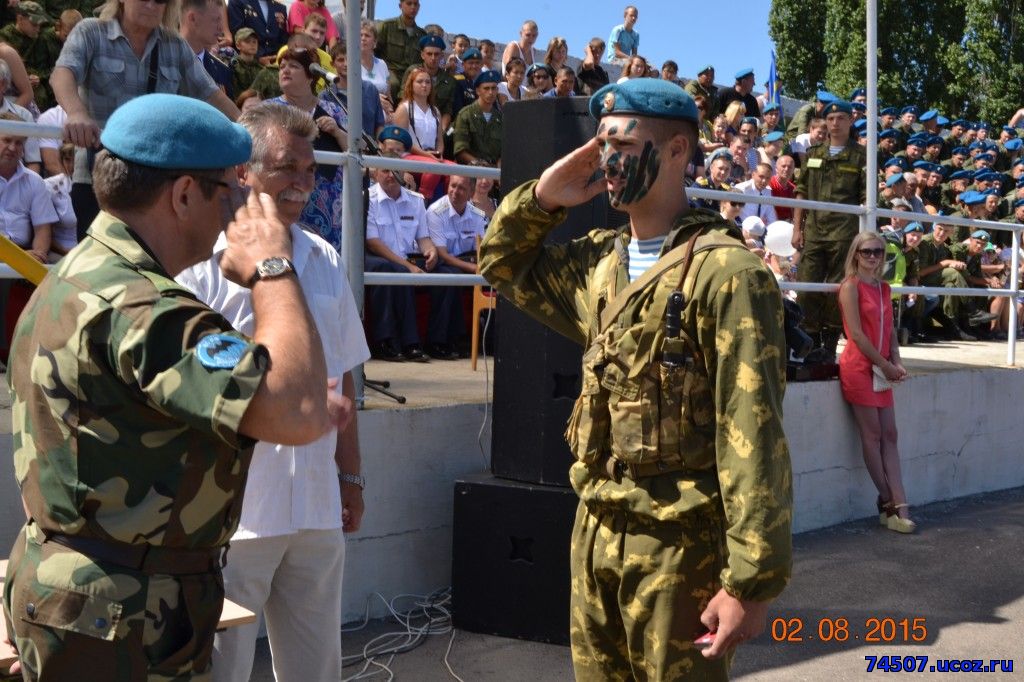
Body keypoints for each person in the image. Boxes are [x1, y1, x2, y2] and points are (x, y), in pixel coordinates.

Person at [2, 93, 341, 679]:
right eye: (227, 191)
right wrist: (272, 268)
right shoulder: (147, 308)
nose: (239, 210)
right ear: (184, 194)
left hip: (87, 600)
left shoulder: (78, 274)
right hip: (123, 618)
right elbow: (299, 411)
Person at [478, 77, 792, 680]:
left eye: (621, 143)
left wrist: (752, 581)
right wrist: (543, 198)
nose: (607, 161)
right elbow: (502, 262)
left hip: (678, 546)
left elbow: (752, 431)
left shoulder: (727, 274)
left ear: (678, 150)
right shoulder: (600, 264)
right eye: (600, 144)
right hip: (595, 528)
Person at [177, 102, 368, 682]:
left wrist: (351, 477)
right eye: (288, 167)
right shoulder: (200, 267)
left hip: (314, 507)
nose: (304, 184)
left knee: (317, 671)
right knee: (221, 671)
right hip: (234, 515)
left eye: (310, 170)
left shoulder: (325, 256)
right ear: (245, 172)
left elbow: (345, 373)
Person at [52, 0, 240, 240]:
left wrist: (248, 127)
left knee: (147, 272)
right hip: (97, 180)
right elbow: (63, 73)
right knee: (97, 270)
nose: (152, 4)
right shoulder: (91, 31)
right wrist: (76, 112)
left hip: (152, 187)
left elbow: (210, 94)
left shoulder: (174, 46)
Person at [837, 233, 914, 533]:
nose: (873, 257)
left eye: (879, 252)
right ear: (855, 254)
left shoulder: (883, 288)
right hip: (860, 367)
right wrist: (884, 365)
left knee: (890, 434)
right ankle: (891, 501)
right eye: (867, 251)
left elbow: (891, 329)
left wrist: (896, 360)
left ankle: (897, 503)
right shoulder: (850, 287)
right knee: (872, 435)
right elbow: (855, 334)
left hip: (881, 367)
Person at [792, 100, 867, 361]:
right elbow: (800, 191)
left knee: (838, 288)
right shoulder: (813, 154)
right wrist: (796, 228)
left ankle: (829, 342)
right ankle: (807, 340)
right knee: (807, 285)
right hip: (814, 229)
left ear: (850, 121)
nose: (835, 123)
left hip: (844, 232)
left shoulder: (861, 156)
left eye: (841, 118)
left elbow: (867, 199)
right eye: (831, 118)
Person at [269, 46, 347, 249]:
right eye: (282, 66)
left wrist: (337, 132)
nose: (284, 70)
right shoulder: (269, 110)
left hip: (331, 204)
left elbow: (356, 151)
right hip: (287, 197)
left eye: (293, 66)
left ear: (311, 76)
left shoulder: (333, 109)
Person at [364, 164, 437, 362]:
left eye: (395, 170)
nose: (390, 175)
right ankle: (389, 341)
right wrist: (408, 267)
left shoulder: (416, 201)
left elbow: (423, 237)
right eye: (385, 170)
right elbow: (373, 243)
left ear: (403, 173)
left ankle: (441, 341)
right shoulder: (367, 198)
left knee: (446, 271)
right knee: (391, 269)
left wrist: (430, 251)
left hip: (406, 259)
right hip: (375, 257)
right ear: (376, 173)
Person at [0, 2, 61, 111]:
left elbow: (48, 66)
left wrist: (38, 77)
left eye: (39, 25)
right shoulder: (5, 36)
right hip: (13, 87)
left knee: (43, 95)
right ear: (20, 19)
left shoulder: (42, 39)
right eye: (34, 24)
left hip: (24, 96)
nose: (37, 28)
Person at [374, 0, 424, 101]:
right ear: (400, 6)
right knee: (393, 84)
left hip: (411, 73)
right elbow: (373, 49)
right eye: (409, 3)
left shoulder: (422, 35)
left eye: (415, 4)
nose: (413, 7)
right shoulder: (387, 26)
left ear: (419, 7)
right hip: (389, 70)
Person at [182, 0, 234, 98]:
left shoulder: (222, 71)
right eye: (216, 20)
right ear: (193, 18)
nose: (221, 27)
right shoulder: (165, 62)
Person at [392, 65, 443, 158]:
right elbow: (401, 140)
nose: (424, 85)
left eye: (428, 82)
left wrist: (439, 153)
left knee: (456, 171)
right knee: (433, 172)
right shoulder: (404, 108)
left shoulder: (435, 111)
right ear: (411, 85)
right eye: (420, 81)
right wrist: (426, 155)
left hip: (432, 156)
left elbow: (439, 141)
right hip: (410, 156)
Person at [453, 70, 502, 167]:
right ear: (478, 91)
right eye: (486, 88)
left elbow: (503, 152)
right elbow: (460, 151)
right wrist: (481, 166)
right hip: (471, 169)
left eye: (494, 88)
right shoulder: (466, 115)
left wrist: (499, 172)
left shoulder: (500, 118)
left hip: (494, 172)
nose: (491, 92)